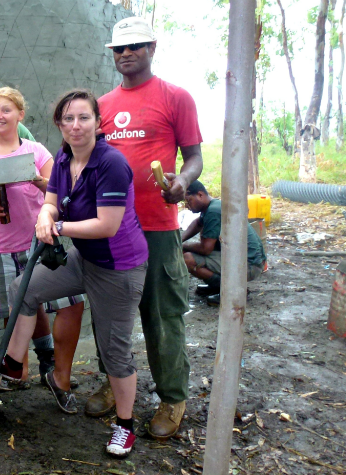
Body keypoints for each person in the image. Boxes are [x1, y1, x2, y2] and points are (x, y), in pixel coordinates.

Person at [5, 89, 148, 457]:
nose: (76, 125)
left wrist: (59, 228)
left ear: (98, 122)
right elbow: (51, 203)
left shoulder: (111, 163)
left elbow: (107, 225)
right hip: (85, 259)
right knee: (24, 287)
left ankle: (125, 426)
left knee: (114, 351)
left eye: (84, 117)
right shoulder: (65, 158)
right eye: (68, 119)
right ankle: (12, 364)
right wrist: (43, 216)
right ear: (58, 124)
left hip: (119, 267)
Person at [96, 16, 203, 440]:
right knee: (108, 313)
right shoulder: (101, 106)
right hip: (111, 227)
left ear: (152, 48)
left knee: (162, 315)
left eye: (135, 46)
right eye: (119, 49)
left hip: (156, 226)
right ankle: (113, 381)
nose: (126, 53)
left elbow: (194, 157)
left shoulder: (176, 97)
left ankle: (172, 398)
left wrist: (183, 181)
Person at [0, 86, 83, 390]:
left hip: (37, 243)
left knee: (52, 302)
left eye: (5, 110)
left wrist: (35, 178)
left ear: (20, 115)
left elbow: (58, 192)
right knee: (14, 311)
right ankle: (19, 370)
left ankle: (51, 363)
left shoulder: (36, 150)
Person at [182, 180, 267, 306]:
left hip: (249, 264)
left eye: (188, 201)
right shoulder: (213, 206)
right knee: (189, 251)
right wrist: (179, 239)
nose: (187, 206)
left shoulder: (213, 211)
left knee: (187, 259)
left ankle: (233, 291)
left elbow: (206, 249)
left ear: (200, 195)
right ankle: (219, 287)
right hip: (250, 260)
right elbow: (197, 223)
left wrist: (181, 245)